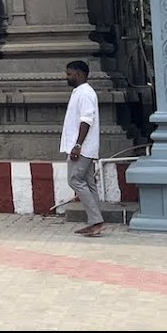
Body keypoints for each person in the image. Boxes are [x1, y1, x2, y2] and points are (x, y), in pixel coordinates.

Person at [63, 60, 104, 237]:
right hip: (83, 146)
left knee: (74, 180)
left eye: (69, 74)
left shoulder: (85, 93)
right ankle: (94, 222)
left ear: (79, 74)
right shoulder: (79, 92)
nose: (67, 77)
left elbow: (86, 120)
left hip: (82, 148)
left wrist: (78, 145)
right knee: (88, 183)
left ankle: (96, 221)